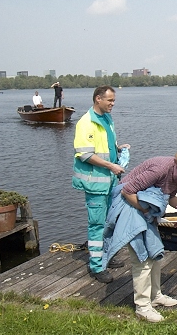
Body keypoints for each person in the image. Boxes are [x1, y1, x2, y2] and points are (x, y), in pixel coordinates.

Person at [104, 146, 177, 323]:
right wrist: (146, 211)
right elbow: (127, 191)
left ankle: (155, 296)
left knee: (155, 256)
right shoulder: (162, 168)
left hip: (140, 207)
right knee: (142, 259)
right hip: (129, 207)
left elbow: (170, 196)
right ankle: (142, 307)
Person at [72, 85, 130, 283]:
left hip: (110, 181)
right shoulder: (86, 123)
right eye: (110, 100)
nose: (113, 104)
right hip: (96, 184)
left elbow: (105, 147)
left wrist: (118, 149)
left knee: (110, 221)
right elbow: (85, 154)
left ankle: (106, 256)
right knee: (97, 224)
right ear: (98, 99)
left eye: (114, 100)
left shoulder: (107, 119)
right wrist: (111, 166)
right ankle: (97, 266)